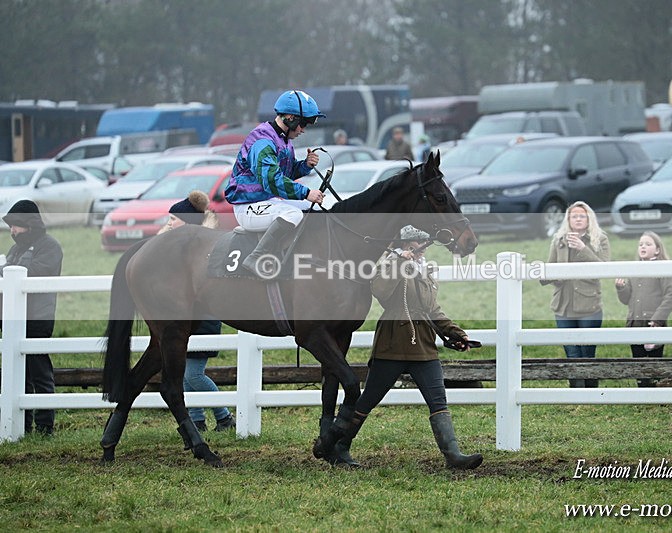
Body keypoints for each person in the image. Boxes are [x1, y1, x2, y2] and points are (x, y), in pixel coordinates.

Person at [313, 225, 482, 470]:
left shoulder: (424, 270)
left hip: (423, 345)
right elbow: (380, 292)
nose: (420, 251)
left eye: (422, 246)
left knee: (438, 400)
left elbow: (432, 309)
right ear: (403, 246)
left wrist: (455, 333)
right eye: (414, 246)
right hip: (393, 344)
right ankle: (338, 445)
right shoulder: (388, 265)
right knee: (367, 400)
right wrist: (399, 263)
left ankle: (453, 455)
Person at [225, 89, 326, 278]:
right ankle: (256, 257)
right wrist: (305, 192)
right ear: (290, 118)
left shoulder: (282, 139)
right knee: (293, 214)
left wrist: (304, 165)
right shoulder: (263, 141)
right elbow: (272, 180)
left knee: (314, 209)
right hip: (248, 206)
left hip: (267, 201)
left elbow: (285, 173)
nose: (303, 129)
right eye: (303, 123)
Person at [158, 191, 235, 432]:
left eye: (174, 219)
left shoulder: (199, 250)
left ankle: (223, 416)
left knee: (193, 375)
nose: (169, 223)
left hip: (202, 320)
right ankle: (197, 420)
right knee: (184, 375)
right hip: (185, 319)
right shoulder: (174, 246)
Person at [0, 200, 63, 435]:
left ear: (29, 225)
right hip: (15, 321)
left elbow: (36, 273)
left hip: (37, 319)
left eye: (16, 226)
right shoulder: (17, 249)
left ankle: (45, 427)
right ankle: (23, 426)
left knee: (40, 374)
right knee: (19, 375)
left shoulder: (50, 247)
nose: (12, 231)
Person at [540, 201, 610, 388]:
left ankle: (590, 391)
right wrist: (552, 277)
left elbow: (604, 269)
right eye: (574, 216)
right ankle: (576, 392)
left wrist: (582, 248)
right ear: (568, 219)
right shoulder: (558, 240)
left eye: (582, 216)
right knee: (571, 352)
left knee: (587, 352)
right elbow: (550, 268)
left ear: (589, 219)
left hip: (589, 305)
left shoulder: (600, 239)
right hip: (563, 305)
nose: (578, 219)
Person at [615, 231, 672, 387]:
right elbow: (626, 299)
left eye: (648, 244)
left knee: (654, 361)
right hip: (634, 323)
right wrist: (621, 288)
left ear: (657, 250)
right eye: (641, 244)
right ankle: (642, 389)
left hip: (653, 324)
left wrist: (657, 319)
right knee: (638, 360)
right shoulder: (634, 269)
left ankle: (655, 390)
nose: (643, 247)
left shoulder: (662, 269)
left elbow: (670, 295)